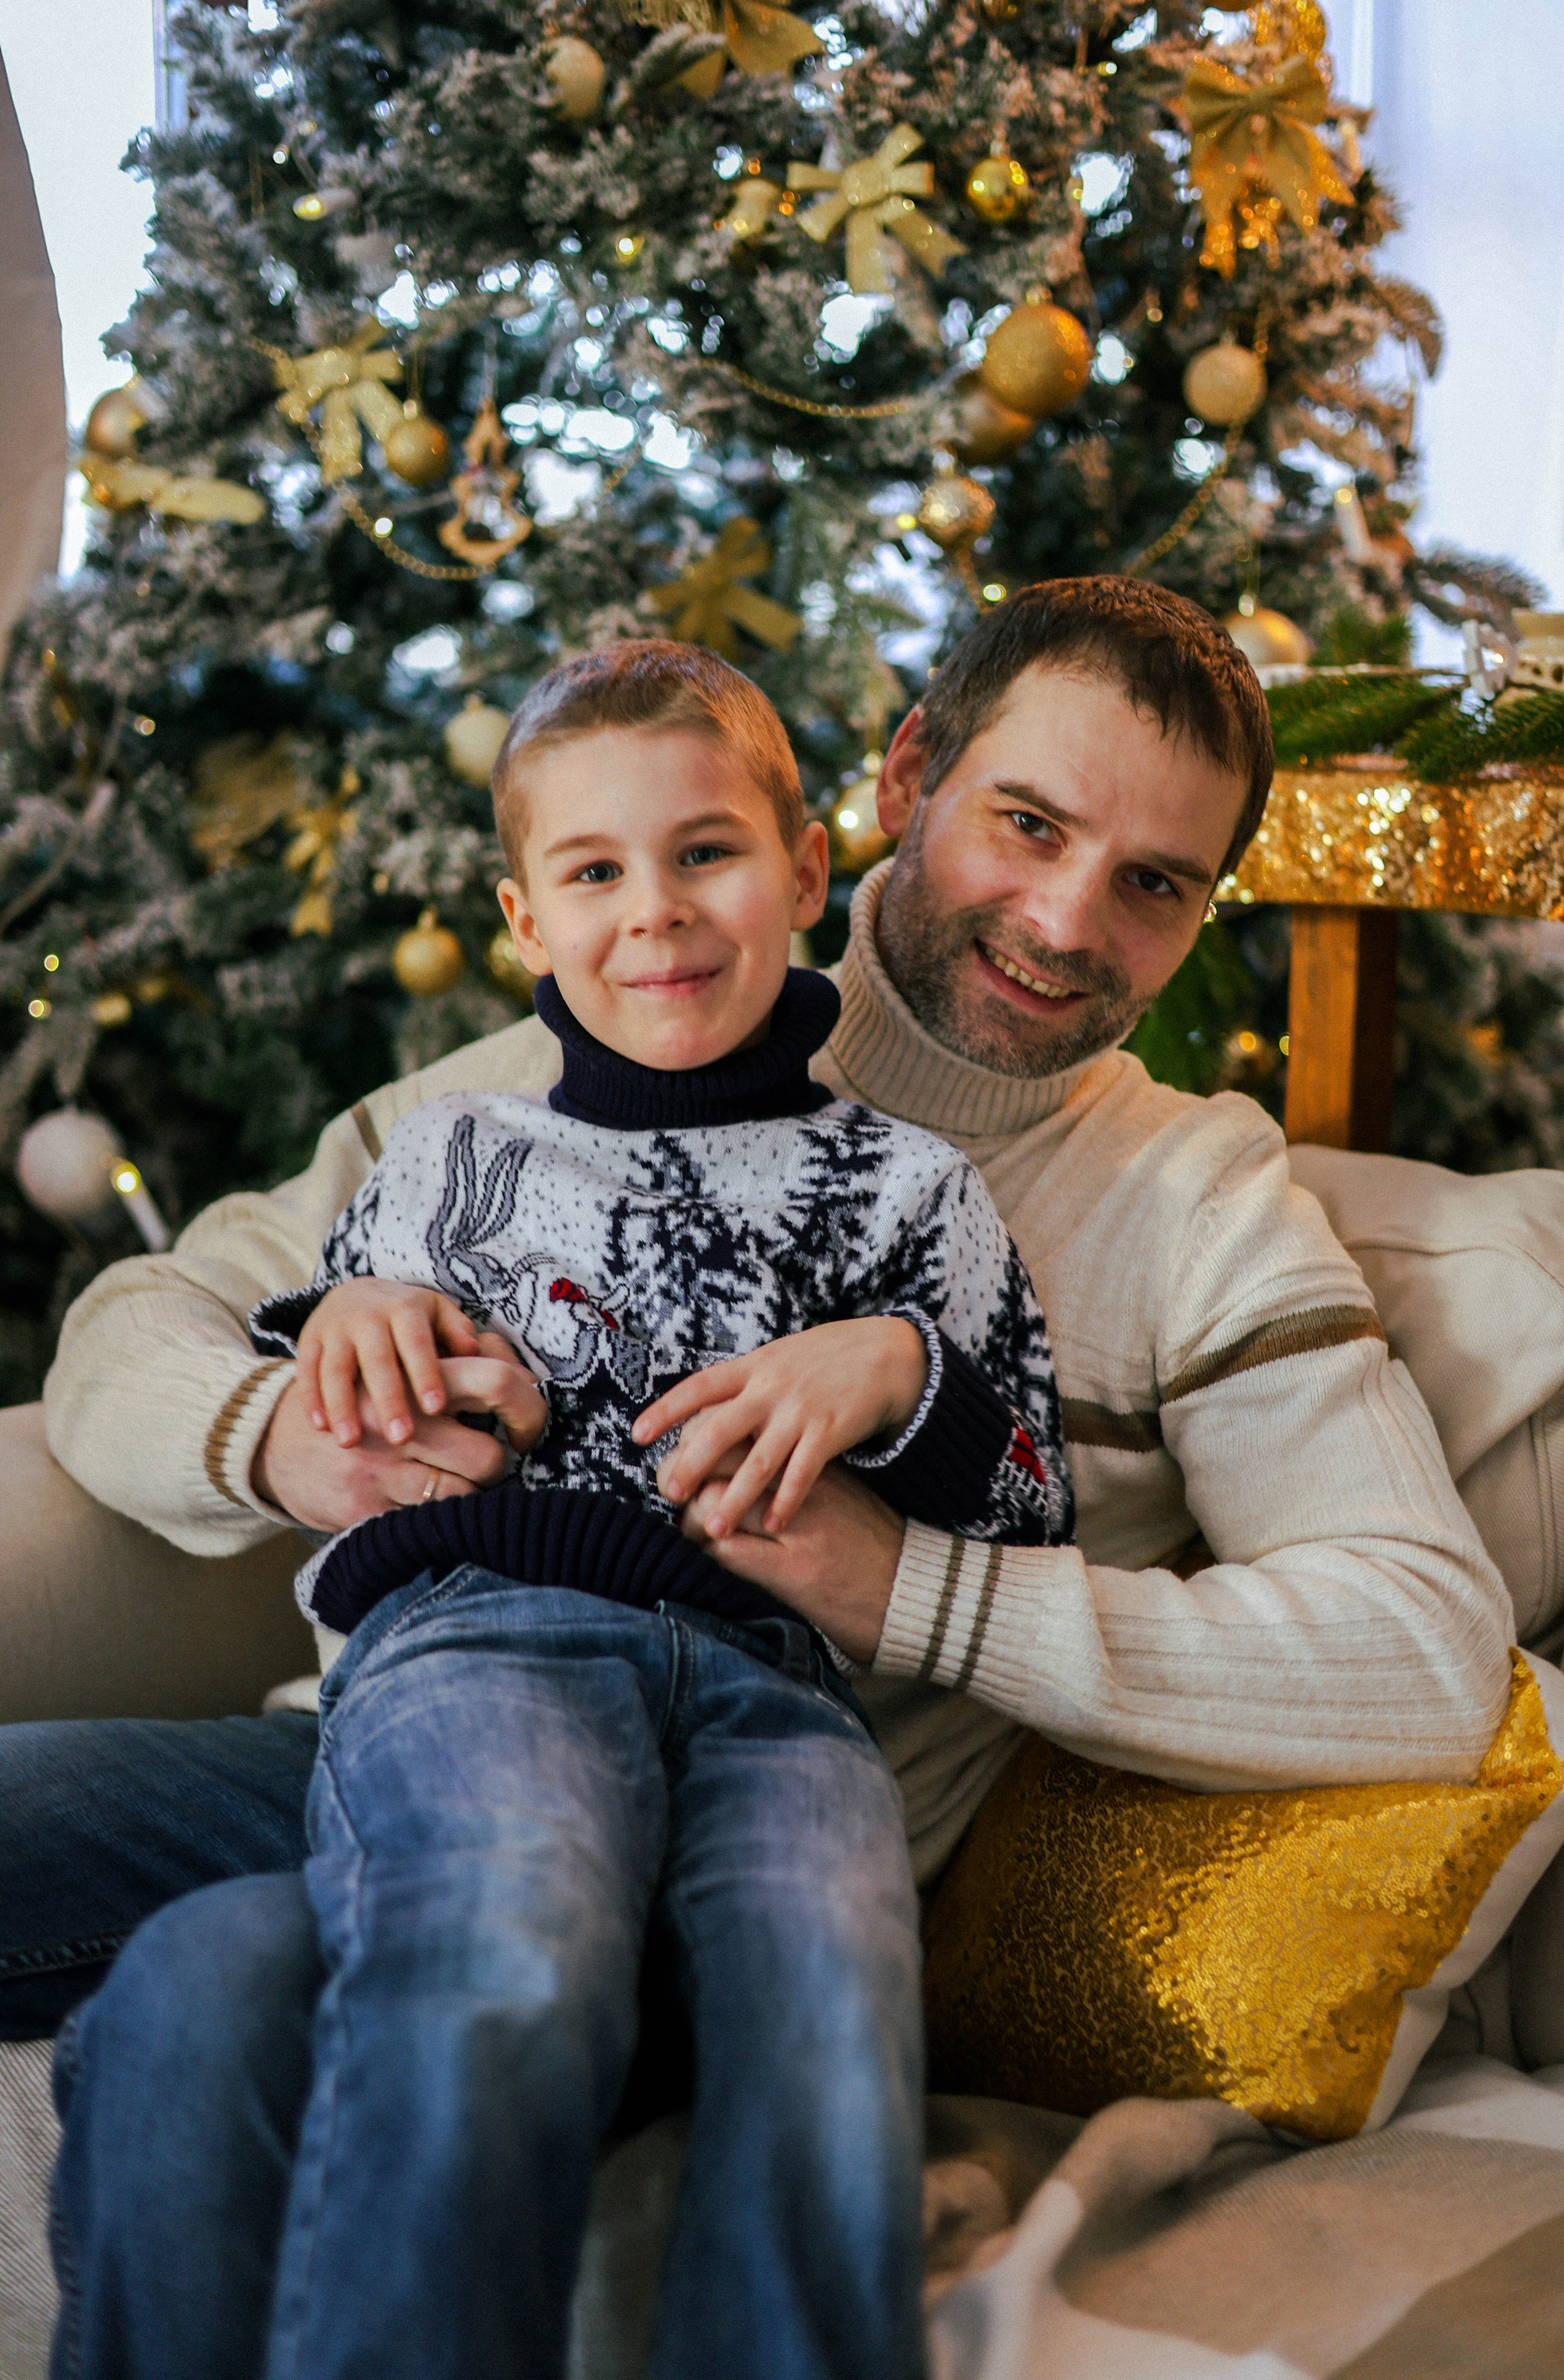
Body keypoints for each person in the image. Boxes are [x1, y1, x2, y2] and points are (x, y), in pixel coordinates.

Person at [9, 579, 1513, 2360]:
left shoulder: (1200, 1206)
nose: (1061, 920)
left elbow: (1427, 1650)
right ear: (901, 784)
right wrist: (292, 1442)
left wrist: (918, 1591)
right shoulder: (613, 1016)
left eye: (1155, 884)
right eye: (1027, 824)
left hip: (737, 1791)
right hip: (391, 1724)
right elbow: (136, 1317)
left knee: (203, 2000)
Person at [55, 640, 1070, 2380]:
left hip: (777, 1699)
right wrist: (348, 1330)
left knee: (830, 2020)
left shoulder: (914, 1189)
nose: (656, 914)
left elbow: (1034, 1504)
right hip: (490, 1642)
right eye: (594, 872)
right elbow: (343, 1364)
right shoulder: (449, 1154)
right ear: (524, 921)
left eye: (707, 853)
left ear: (809, 869)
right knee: (505, 1941)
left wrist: (897, 1371)